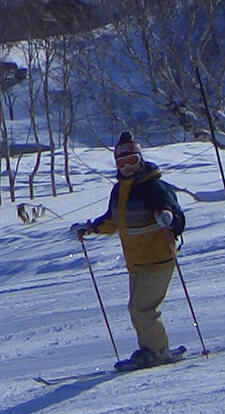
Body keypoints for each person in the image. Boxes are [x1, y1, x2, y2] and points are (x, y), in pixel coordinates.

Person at [74, 131, 187, 370]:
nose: (127, 167)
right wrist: (91, 229)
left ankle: (157, 351)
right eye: (121, 162)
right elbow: (114, 220)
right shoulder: (120, 190)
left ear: (140, 159)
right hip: (137, 261)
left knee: (142, 309)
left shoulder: (153, 186)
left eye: (132, 161)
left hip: (158, 257)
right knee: (137, 308)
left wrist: (168, 218)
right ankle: (151, 349)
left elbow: (174, 214)